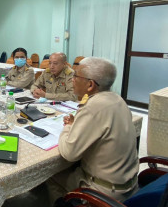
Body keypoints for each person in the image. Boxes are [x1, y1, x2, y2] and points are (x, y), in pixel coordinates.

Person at [47, 57, 139, 203]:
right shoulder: (117, 99)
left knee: (49, 175)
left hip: (103, 191)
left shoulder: (92, 107)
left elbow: (69, 153)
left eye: (76, 76)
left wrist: (68, 127)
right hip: (128, 184)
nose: (72, 80)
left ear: (90, 85)